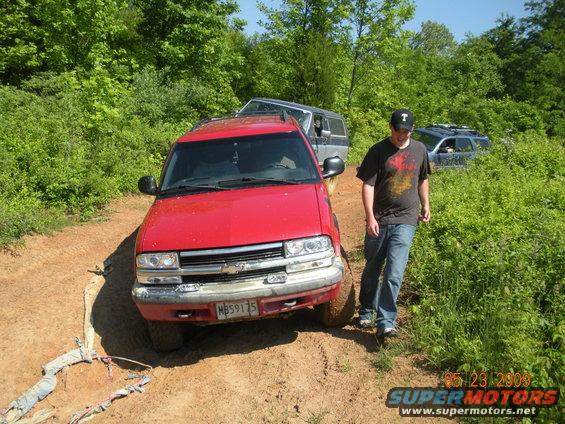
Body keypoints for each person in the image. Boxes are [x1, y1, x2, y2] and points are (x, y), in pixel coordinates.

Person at [356, 108, 431, 338]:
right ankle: (367, 308)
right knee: (372, 268)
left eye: (406, 132)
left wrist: (426, 204)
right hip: (380, 219)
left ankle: (386, 321)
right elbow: (368, 185)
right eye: (398, 130)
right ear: (391, 127)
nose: (402, 135)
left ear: (412, 130)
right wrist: (370, 216)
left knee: (394, 272)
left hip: (406, 219)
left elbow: (422, 179)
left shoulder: (419, 150)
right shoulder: (378, 151)